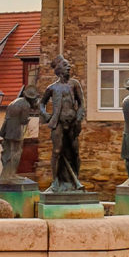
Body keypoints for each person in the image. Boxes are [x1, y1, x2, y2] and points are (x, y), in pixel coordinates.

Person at [38, 55, 86, 192]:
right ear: (59, 70)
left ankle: (75, 178)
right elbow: (41, 103)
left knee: (75, 151)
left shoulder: (74, 84)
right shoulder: (52, 88)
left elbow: (82, 103)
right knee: (57, 151)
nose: (69, 67)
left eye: (69, 65)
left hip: (72, 123)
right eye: (65, 65)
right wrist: (45, 114)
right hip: (58, 122)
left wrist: (78, 117)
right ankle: (55, 181)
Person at [0, 85, 40, 185]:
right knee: (16, 152)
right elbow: (23, 120)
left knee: (8, 152)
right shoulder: (26, 105)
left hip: (7, 129)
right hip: (15, 130)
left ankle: (6, 175)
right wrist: (28, 119)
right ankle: (10, 175)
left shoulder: (15, 101)